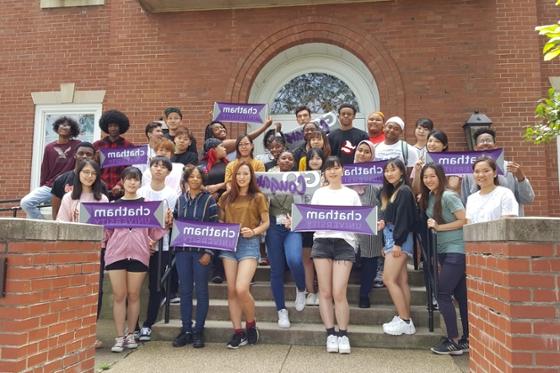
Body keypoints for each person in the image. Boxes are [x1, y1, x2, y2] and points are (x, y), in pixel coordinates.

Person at [103, 166, 168, 353]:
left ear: (140, 182)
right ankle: (119, 336)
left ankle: (131, 333)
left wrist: (165, 222)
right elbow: (105, 233)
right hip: (116, 254)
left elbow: (156, 231)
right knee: (119, 296)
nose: (132, 182)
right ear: (122, 182)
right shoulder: (113, 206)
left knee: (133, 295)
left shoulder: (148, 205)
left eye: (136, 179)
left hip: (139, 254)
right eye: (128, 179)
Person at [306, 156, 361, 354]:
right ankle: (330, 333)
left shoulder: (352, 194)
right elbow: (310, 218)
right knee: (325, 292)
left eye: (336, 168)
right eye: (329, 168)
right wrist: (293, 221)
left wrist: (374, 224)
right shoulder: (319, 193)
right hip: (322, 242)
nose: (333, 171)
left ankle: (343, 334)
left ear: (343, 171)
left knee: (339, 292)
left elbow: (360, 220)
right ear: (325, 173)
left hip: (344, 244)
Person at [56, 159, 109, 349]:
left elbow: (107, 229)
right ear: (78, 174)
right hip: (74, 253)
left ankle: (89, 333)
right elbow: (62, 223)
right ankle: (71, 332)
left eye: (93, 173)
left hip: (96, 252)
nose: (89, 176)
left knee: (96, 292)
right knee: (73, 291)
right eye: (85, 172)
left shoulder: (102, 199)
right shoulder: (69, 198)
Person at [218, 161, 269, 348]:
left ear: (251, 176)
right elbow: (220, 221)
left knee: (241, 288)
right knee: (231, 290)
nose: (241, 177)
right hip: (229, 244)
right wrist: (224, 228)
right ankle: (238, 332)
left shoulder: (258, 197)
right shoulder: (225, 197)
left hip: (249, 244)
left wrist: (254, 232)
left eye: (245, 174)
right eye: (238, 174)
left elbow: (266, 222)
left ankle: (251, 324)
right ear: (234, 176)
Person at [419, 164, 469, 355]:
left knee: (442, 292)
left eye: (432, 176)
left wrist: (439, 227)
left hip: (456, 250)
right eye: (425, 177)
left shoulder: (449, 196)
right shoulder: (431, 197)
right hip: (443, 251)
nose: (429, 180)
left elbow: (464, 220)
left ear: (440, 176)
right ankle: (466, 339)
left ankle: (453, 340)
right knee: (461, 295)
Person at [172, 165, 217, 349]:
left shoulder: (209, 201)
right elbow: (175, 223)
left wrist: (209, 252)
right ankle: (186, 330)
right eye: (192, 176)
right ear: (186, 179)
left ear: (203, 180)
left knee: (201, 291)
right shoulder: (180, 200)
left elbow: (215, 228)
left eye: (199, 177)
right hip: (183, 252)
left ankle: (199, 330)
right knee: (184, 291)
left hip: (201, 253)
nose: (195, 179)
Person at [137, 156, 179, 343]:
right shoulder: (140, 191)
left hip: (161, 246)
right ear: (150, 169)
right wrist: (146, 240)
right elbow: (135, 219)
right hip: (139, 245)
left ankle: (148, 324)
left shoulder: (172, 195)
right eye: (156, 165)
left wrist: (154, 240)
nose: (159, 169)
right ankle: (133, 327)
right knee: (135, 288)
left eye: (163, 167)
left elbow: (169, 223)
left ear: (168, 172)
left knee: (155, 286)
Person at [265, 151, 307, 328]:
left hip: (293, 226)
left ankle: (301, 288)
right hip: (274, 227)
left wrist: (296, 219)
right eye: (284, 158)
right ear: (277, 160)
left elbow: (306, 202)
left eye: (290, 158)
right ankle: (281, 310)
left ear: (294, 162)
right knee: (276, 270)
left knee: (294, 259)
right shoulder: (266, 178)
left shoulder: (302, 178)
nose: (287, 160)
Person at [379, 159, 417, 336]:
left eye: (393, 170)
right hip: (391, 237)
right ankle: (405, 317)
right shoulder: (392, 191)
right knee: (401, 281)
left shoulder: (404, 191)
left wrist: (398, 243)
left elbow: (403, 219)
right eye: (386, 171)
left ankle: (405, 320)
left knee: (388, 279)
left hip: (398, 239)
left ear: (402, 171)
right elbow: (392, 217)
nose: (389, 173)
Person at [461, 128, 534, 216]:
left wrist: (521, 178)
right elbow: (465, 204)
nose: (485, 143)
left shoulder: (510, 168)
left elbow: (528, 199)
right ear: (476, 148)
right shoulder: (469, 173)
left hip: (509, 223)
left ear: (495, 146)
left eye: (488, 140)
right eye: (481, 141)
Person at [21, 116, 81, 219]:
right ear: (57, 127)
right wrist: (43, 185)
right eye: (62, 124)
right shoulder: (49, 147)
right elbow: (45, 168)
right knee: (26, 202)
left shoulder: (77, 145)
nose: (64, 127)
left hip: (69, 186)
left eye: (67, 125)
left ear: (72, 130)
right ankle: (42, 224)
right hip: (50, 186)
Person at [352, 140, 384, 308]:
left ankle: (365, 294)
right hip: (349, 223)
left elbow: (385, 200)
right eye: (360, 150)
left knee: (370, 257)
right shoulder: (346, 174)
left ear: (372, 156)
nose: (362, 154)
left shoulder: (379, 176)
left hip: (372, 222)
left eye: (367, 152)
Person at [302, 148, 326, 306]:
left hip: (325, 224)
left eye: (318, 158)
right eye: (312, 158)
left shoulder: (330, 177)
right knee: (307, 260)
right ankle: (310, 292)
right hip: (306, 222)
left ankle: (323, 293)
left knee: (322, 261)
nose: (315, 161)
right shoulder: (300, 178)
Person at [93, 110, 135, 201]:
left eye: (115, 126)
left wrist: (120, 184)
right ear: (106, 127)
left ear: (120, 127)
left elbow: (130, 170)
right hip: (99, 190)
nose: (113, 128)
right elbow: (92, 168)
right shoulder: (97, 146)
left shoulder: (129, 146)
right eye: (110, 126)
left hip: (121, 191)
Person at [50, 142, 97, 219]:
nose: (84, 156)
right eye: (81, 153)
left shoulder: (99, 183)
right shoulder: (61, 180)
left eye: (89, 154)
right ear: (75, 155)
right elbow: (56, 211)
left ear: (94, 157)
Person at [465, 156, 519, 224]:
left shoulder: (505, 194)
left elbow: (507, 223)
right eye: (477, 171)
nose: (481, 175)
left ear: (494, 173)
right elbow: (469, 226)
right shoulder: (471, 199)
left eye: (486, 171)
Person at [411, 130, 460, 195]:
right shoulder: (420, 162)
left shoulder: (452, 162)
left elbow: (453, 188)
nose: (432, 144)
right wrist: (417, 171)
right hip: (425, 201)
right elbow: (416, 190)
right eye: (430, 141)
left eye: (437, 141)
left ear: (444, 146)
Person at [203, 118, 274, 159]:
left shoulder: (222, 143)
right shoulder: (223, 144)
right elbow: (245, 139)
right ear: (212, 135)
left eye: (222, 127)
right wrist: (265, 126)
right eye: (216, 129)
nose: (222, 129)